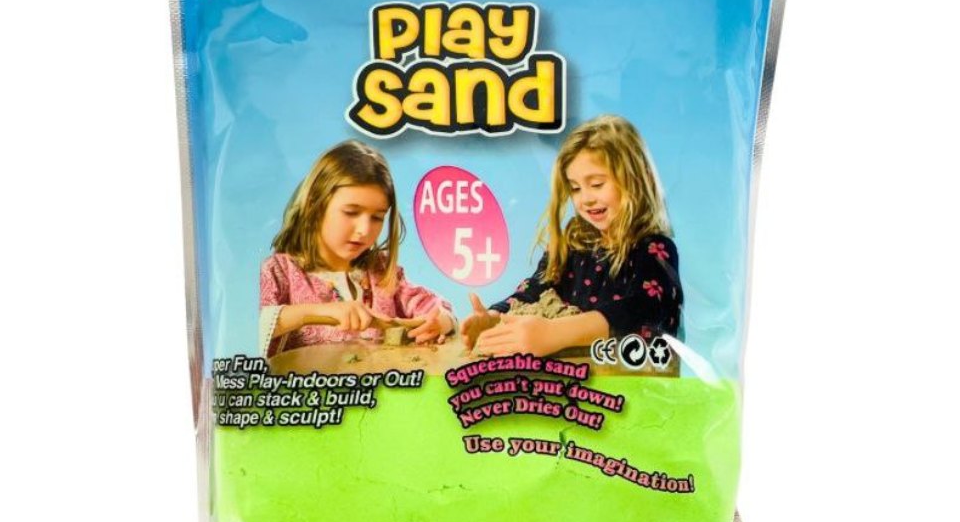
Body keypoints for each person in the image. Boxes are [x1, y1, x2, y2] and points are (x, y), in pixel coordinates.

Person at [461, 115, 682, 357]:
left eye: (596, 184)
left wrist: (555, 333)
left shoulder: (655, 249)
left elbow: (645, 309)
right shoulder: (573, 240)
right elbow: (537, 287)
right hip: (575, 373)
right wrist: (495, 318)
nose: (585, 199)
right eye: (575, 188)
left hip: (629, 375)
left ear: (636, 179)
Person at [259, 141, 454, 357]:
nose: (364, 230)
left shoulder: (381, 271)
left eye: (377, 217)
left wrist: (440, 322)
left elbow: (435, 308)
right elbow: (258, 324)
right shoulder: (279, 272)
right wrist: (318, 312)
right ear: (315, 205)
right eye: (351, 212)